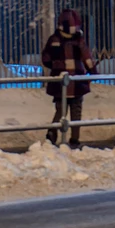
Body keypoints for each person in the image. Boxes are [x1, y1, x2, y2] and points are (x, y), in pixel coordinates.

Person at [41, 8, 97, 147]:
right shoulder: (79, 40)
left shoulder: (54, 39)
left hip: (60, 82)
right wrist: (93, 71)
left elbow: (45, 58)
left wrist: (55, 66)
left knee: (60, 110)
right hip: (77, 81)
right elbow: (87, 57)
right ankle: (74, 139)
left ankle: (52, 133)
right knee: (76, 111)